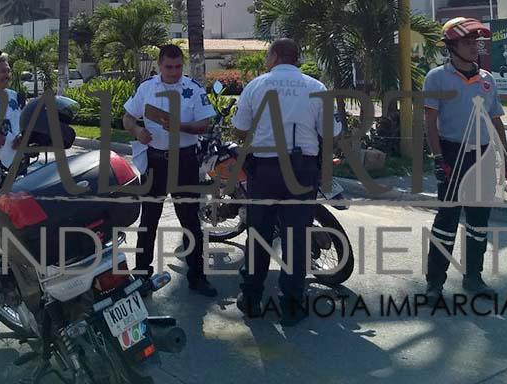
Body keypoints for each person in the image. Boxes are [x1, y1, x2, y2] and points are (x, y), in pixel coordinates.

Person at [231, 38, 342, 326]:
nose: (266, 59)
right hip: (302, 170)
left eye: (267, 54)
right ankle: (291, 306)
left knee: (259, 236)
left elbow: (240, 128)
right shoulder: (316, 88)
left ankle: (251, 298)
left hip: (265, 170)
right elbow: (332, 131)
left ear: (276, 55)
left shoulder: (256, 86)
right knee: (296, 238)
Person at [422, 17, 507, 303]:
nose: (475, 47)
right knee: (446, 222)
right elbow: (430, 122)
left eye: (477, 42)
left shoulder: (487, 79)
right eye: (467, 42)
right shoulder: (437, 77)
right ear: (451, 46)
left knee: (478, 223)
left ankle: (473, 278)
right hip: (452, 154)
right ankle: (435, 283)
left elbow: (496, 121)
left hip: (483, 157)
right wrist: (438, 159)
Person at [122, 44, 218, 297]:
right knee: (148, 221)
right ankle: (142, 276)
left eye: (177, 67)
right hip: (154, 162)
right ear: (159, 65)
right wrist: (137, 131)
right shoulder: (147, 88)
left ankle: (198, 277)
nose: (173, 72)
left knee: (190, 222)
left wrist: (181, 126)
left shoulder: (193, 89)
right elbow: (127, 117)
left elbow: (205, 123)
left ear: (182, 65)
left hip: (184, 162)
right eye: (168, 67)